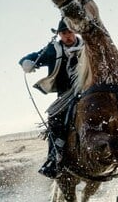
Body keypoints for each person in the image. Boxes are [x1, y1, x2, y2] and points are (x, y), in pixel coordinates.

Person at [19, 19, 84, 178]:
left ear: (74, 31)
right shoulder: (53, 50)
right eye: (64, 33)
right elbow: (34, 57)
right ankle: (54, 157)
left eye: (70, 32)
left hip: (89, 89)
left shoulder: (87, 46)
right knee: (54, 117)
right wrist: (27, 63)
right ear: (59, 35)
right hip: (66, 95)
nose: (68, 36)